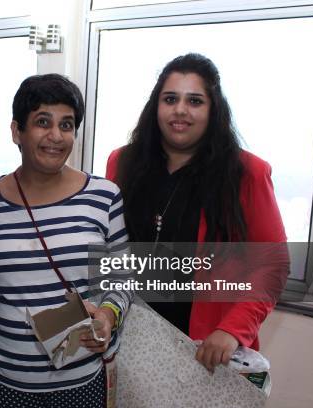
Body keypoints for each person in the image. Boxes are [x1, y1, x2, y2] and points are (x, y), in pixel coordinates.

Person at [106, 53, 288, 371]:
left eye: (195, 101)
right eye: (171, 98)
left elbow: (272, 264)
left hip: (203, 353)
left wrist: (232, 329)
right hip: (128, 342)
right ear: (156, 106)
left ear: (213, 109)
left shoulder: (247, 173)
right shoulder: (122, 162)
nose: (180, 110)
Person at [0, 74, 131, 408]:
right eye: (42, 122)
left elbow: (121, 279)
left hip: (82, 377)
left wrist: (107, 316)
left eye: (67, 125)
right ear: (17, 131)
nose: (55, 136)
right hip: (8, 380)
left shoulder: (103, 197)